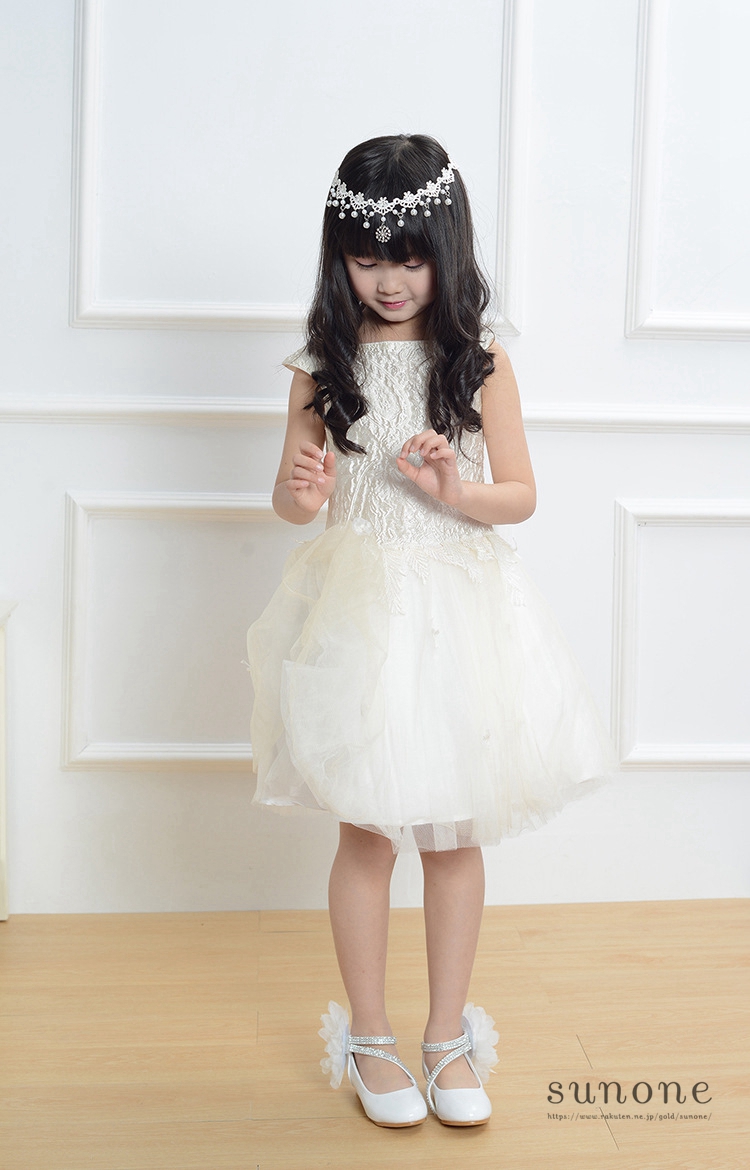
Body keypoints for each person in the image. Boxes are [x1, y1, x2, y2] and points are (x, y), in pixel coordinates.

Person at [247, 134, 615, 1128]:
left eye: (409, 259)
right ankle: (370, 1038)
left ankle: (446, 1035)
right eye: (367, 259)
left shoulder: (479, 362)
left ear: (446, 250)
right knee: (367, 831)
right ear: (338, 257)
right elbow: (293, 502)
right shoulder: (320, 368)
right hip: (361, 621)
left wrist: (457, 489)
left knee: (454, 836)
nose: (389, 280)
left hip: (459, 620)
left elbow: (520, 494)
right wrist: (302, 488)